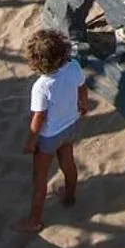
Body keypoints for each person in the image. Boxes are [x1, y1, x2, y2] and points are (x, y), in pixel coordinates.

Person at [20, 28, 89, 232]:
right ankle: (69, 197)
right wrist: (83, 105)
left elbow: (39, 117)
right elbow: (82, 88)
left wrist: (30, 141)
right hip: (71, 125)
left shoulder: (42, 86)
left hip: (49, 136)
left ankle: (34, 221)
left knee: (39, 178)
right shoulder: (74, 66)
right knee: (68, 162)